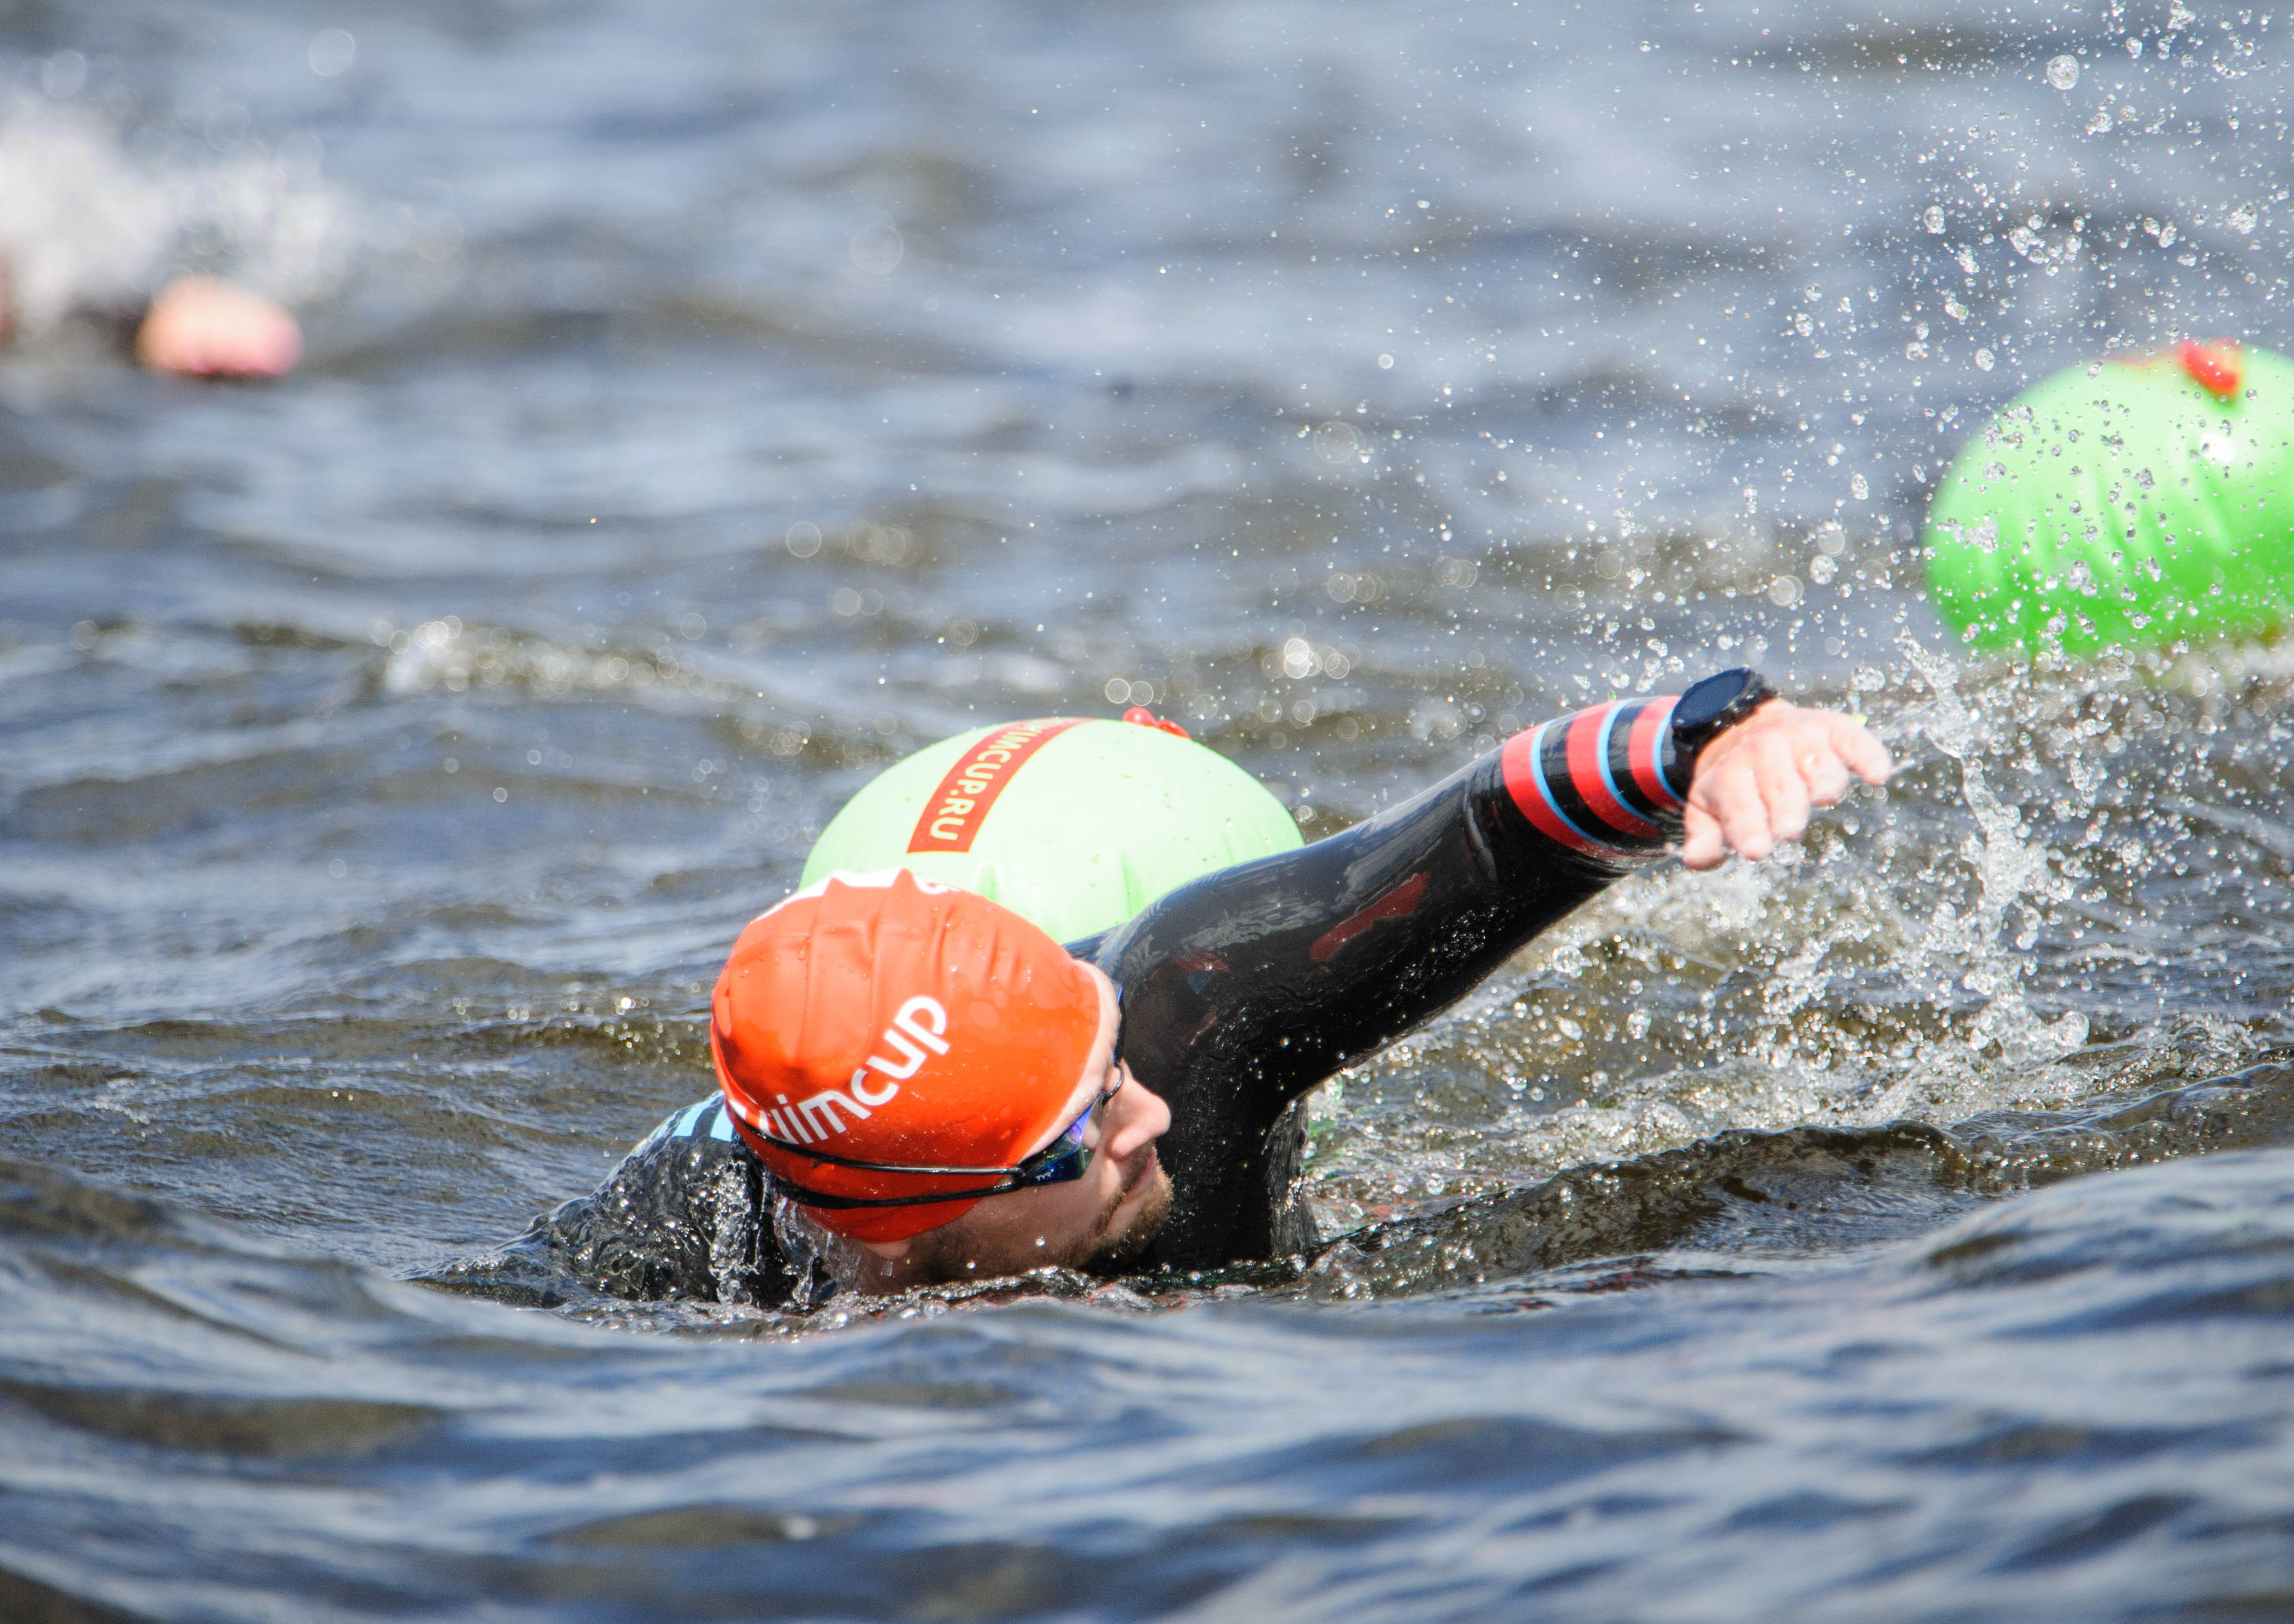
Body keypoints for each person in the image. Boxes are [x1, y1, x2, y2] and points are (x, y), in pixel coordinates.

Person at [505, 669, 1890, 1307]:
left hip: (1122, 831)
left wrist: (1702, 738)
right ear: (905, 1229)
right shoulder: (672, 1246)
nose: (1143, 1117)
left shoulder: (1188, 1010)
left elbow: (1468, 835)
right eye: (1084, 1119)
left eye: (1103, 1064)